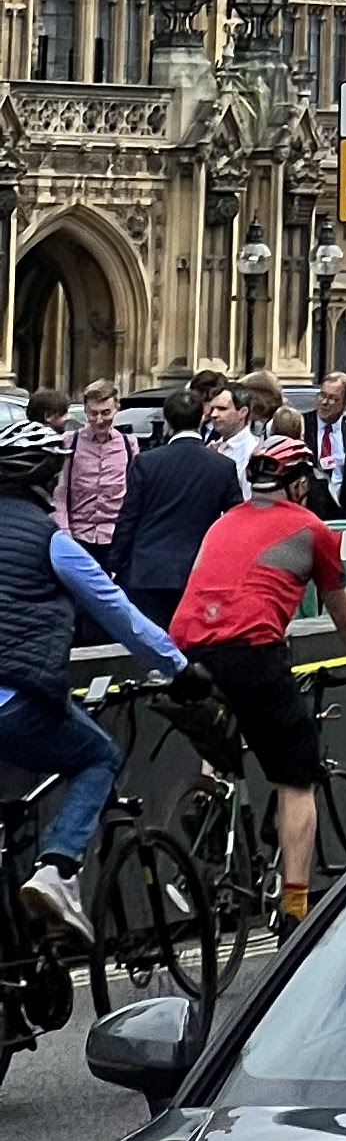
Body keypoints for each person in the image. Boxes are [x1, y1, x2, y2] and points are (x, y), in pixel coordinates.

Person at [172, 437, 346, 931]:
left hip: (186, 649)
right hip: (252, 650)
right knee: (295, 776)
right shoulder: (312, 529)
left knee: (222, 733)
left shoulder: (222, 523)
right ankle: (294, 909)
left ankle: (211, 802)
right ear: (300, 484)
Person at [0, 414, 193, 947]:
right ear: (47, 479)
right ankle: (58, 869)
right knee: (98, 757)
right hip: (16, 698)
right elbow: (118, 613)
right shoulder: (51, 542)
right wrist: (179, 668)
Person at [111, 382, 244, 618]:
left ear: (167, 422)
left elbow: (128, 518)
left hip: (147, 571)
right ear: (202, 419)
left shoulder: (147, 462)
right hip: (197, 570)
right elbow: (236, 521)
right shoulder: (223, 466)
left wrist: (114, 564)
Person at [54, 382, 132, 566]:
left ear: (116, 409)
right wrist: (64, 534)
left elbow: (134, 495)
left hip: (115, 539)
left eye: (106, 413)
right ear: (85, 411)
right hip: (79, 537)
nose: (99, 420)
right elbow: (60, 492)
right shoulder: (69, 443)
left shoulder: (129, 445)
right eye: (93, 413)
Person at [308, 369, 346, 507]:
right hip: (309, 507)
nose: (324, 402)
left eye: (332, 398)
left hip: (341, 508)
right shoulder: (302, 426)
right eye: (322, 395)